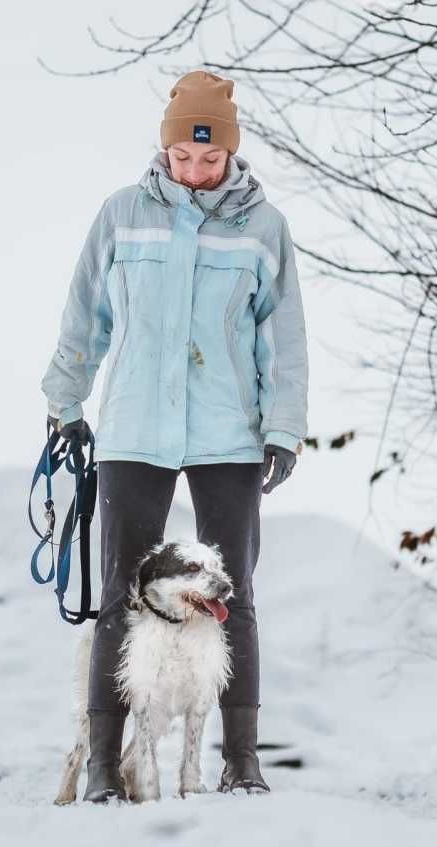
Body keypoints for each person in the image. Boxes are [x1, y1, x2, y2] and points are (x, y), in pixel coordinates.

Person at [40, 68, 309, 803]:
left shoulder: (263, 227)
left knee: (235, 593)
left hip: (228, 433)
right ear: (165, 148)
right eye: (184, 158)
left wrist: (283, 427)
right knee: (124, 592)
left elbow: (282, 341)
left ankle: (241, 759)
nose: (195, 172)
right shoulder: (124, 213)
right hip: (135, 427)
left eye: (210, 158)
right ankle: (102, 762)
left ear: (230, 152)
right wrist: (65, 400)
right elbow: (84, 313)